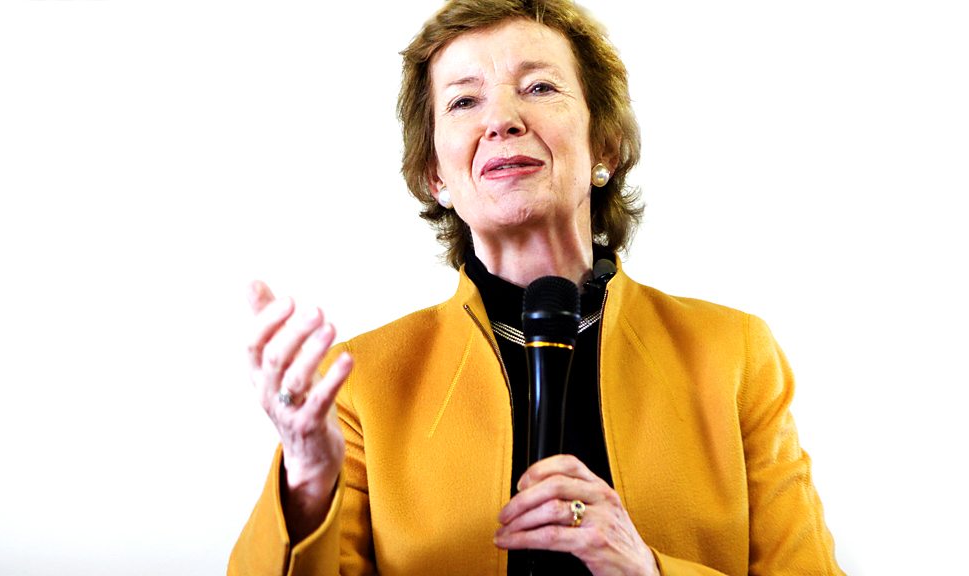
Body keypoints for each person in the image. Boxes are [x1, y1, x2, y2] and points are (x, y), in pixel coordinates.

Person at [230, 0, 845, 574]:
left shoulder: (732, 353)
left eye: (539, 88)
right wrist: (307, 486)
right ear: (435, 174)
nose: (502, 120)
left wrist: (647, 569)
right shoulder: (360, 383)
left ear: (605, 146)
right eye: (464, 101)